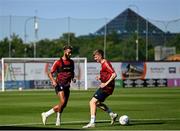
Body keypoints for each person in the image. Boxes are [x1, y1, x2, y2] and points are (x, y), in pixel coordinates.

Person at [83, 49, 118, 128]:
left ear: (100, 56)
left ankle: (92, 123)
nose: (95, 59)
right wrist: (101, 77)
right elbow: (108, 75)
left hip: (107, 87)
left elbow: (114, 74)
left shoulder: (105, 63)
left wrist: (105, 83)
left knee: (92, 102)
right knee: (97, 103)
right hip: (107, 87)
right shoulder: (103, 64)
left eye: (96, 57)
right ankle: (112, 115)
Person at [41, 45, 75, 126]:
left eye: (71, 53)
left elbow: (72, 72)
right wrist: (53, 81)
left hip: (67, 85)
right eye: (69, 52)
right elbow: (50, 73)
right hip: (59, 83)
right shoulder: (58, 62)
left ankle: (46, 114)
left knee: (64, 105)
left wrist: (73, 78)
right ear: (64, 51)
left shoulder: (71, 62)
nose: (70, 54)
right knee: (62, 101)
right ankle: (58, 119)